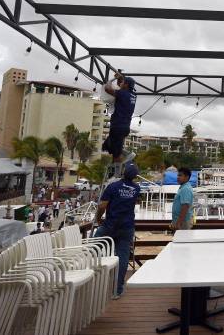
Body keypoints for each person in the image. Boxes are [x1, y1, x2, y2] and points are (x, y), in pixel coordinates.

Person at [95, 163, 141, 299]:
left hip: (110, 225)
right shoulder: (136, 188)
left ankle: (92, 278)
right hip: (127, 227)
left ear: (123, 173)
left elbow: (102, 205)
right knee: (122, 257)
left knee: (93, 245)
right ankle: (117, 290)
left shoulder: (113, 186)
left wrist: (98, 218)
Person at [102, 72, 137, 177]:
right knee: (108, 147)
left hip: (117, 126)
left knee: (116, 153)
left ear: (126, 85)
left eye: (123, 83)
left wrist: (109, 81)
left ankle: (116, 176)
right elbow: (122, 85)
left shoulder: (122, 93)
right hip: (124, 127)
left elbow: (108, 89)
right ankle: (124, 156)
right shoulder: (133, 95)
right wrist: (120, 78)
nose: (120, 84)